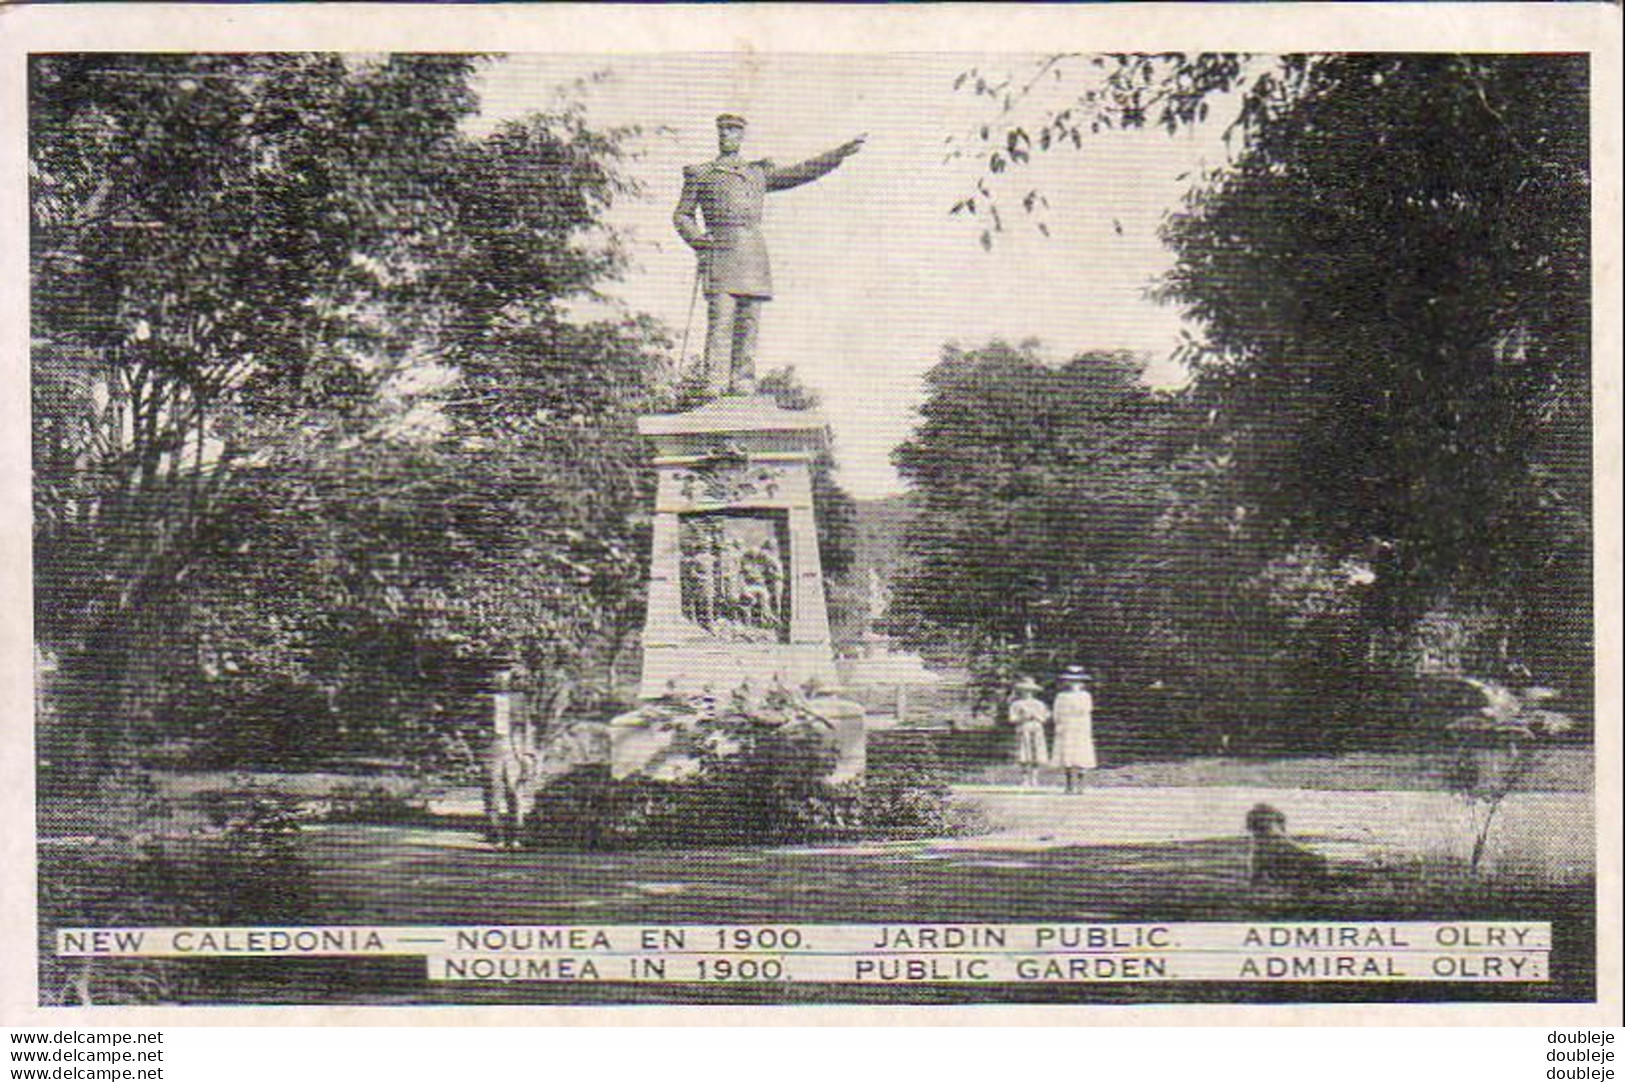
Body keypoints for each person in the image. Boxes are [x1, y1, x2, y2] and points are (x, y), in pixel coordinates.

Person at [673, 114, 864, 396]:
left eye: (735, 132)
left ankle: (743, 382)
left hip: (752, 254)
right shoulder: (702, 174)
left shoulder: (757, 174)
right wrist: (698, 240)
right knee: (721, 322)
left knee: (749, 323)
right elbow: (682, 214)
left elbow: (800, 173)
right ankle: (714, 384)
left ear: (741, 137)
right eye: (724, 131)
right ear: (718, 135)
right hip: (720, 252)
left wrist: (837, 155)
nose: (729, 137)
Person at [1051, 666, 1098, 793]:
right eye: (1071, 681)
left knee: (1081, 753)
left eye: (1077, 681)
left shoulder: (1085, 696)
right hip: (1066, 726)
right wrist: (1059, 725)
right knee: (1067, 753)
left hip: (1080, 727)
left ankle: (1081, 784)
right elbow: (1057, 713)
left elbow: (1086, 710)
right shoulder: (1061, 696)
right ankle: (1069, 784)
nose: (1074, 684)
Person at [1008, 676, 1050, 788]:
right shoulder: (1016, 704)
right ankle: (1025, 779)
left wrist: (1036, 716)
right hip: (1024, 728)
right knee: (1024, 754)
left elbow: (1045, 718)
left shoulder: (1039, 704)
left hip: (1036, 728)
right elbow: (1012, 718)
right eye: (1025, 690)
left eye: (1029, 691)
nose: (1027, 693)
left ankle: (1035, 778)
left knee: (1036, 753)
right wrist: (1023, 717)